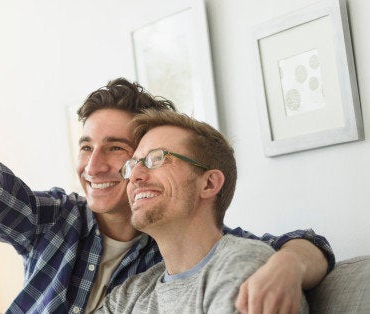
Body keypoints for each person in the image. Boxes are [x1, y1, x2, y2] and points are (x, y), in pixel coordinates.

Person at [0, 29, 333, 313]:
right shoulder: (56, 219)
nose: (94, 166)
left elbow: (304, 246)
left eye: (118, 149)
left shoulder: (184, 246)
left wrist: (288, 265)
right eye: (85, 147)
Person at [95, 110, 310, 313]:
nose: (134, 176)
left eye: (157, 159)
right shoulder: (129, 295)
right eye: (132, 165)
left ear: (208, 184)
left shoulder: (243, 265)